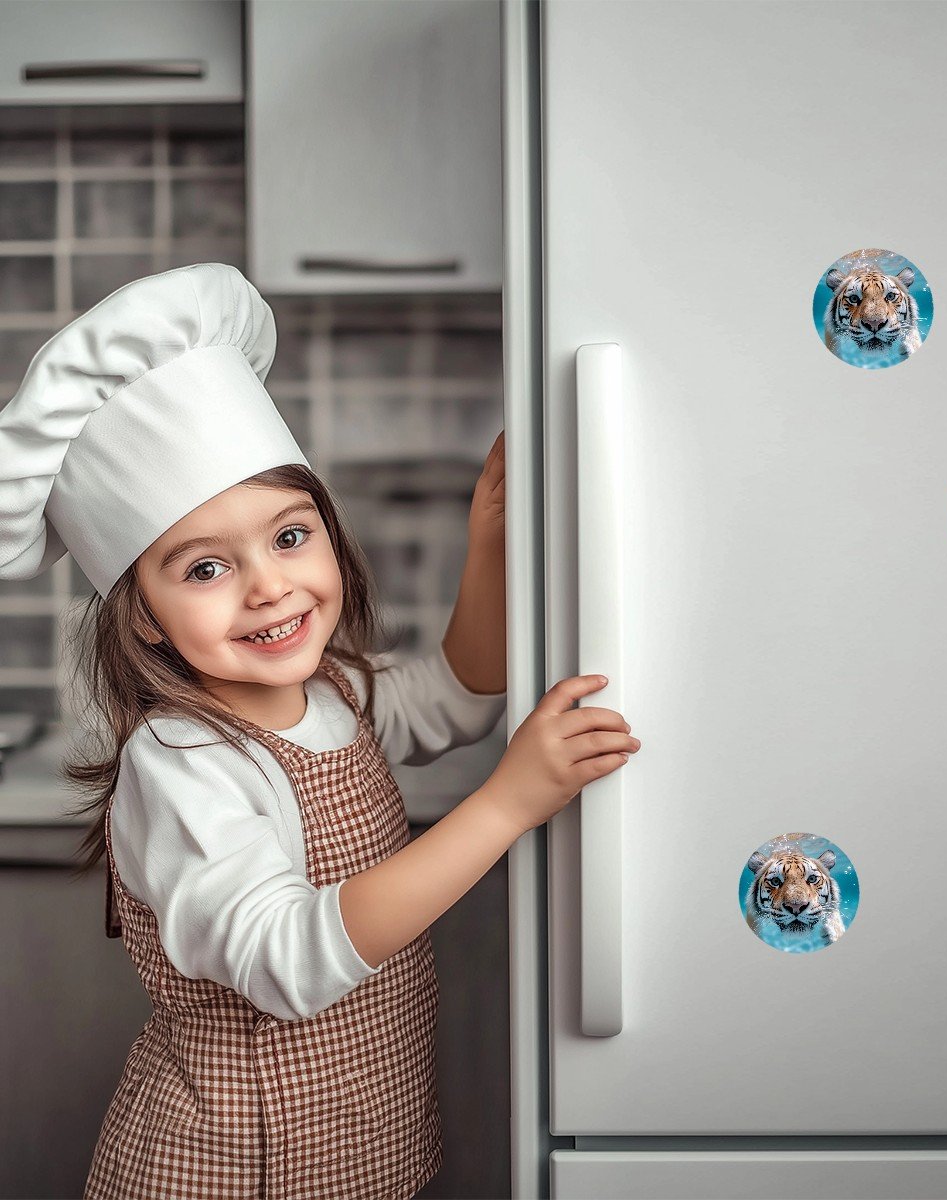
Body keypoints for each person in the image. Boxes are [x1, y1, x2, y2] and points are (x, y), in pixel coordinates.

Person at [0, 262, 641, 1199]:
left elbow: (461, 692)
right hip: (238, 1173)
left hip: (362, 1146)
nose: (269, 586)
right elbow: (287, 958)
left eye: (290, 537)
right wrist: (506, 805)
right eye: (207, 568)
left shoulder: (333, 690)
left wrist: (492, 547)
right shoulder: (179, 763)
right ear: (140, 615)